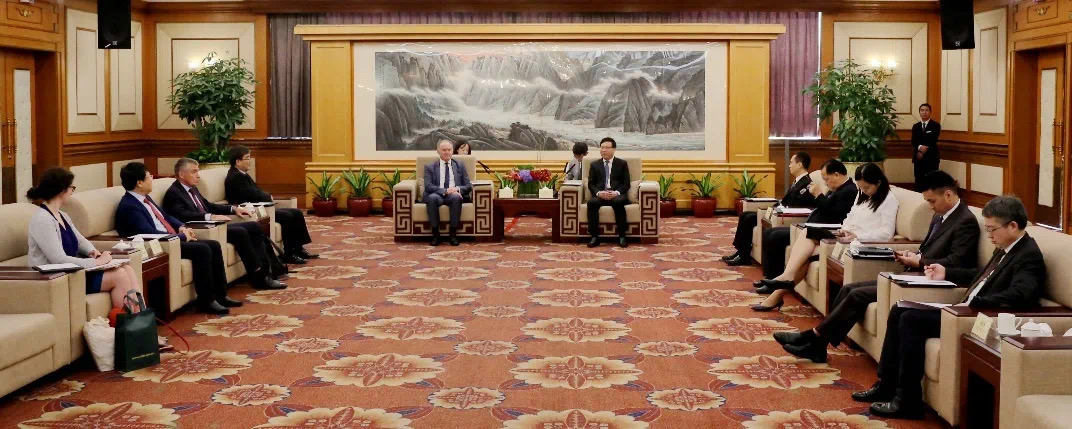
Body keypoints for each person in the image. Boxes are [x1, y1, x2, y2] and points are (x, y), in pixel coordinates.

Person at [857, 195, 1045, 420]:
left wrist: (977, 302)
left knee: (910, 320)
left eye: (992, 229)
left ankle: (908, 400)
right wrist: (946, 272)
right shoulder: (1005, 247)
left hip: (977, 317)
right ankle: (886, 384)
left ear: (1013, 226)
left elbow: (1022, 294)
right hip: (964, 309)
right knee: (899, 310)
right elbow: (982, 276)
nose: (989, 235)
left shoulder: (1028, 255)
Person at [775, 170, 980, 362]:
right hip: (915, 274)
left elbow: (956, 262)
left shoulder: (965, 222)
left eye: (932, 201)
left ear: (948, 195)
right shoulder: (940, 215)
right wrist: (914, 255)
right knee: (849, 288)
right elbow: (929, 249)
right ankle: (818, 343)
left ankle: (815, 339)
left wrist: (920, 261)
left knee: (857, 295)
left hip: (932, 283)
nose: (930, 206)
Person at [753, 162, 896, 311]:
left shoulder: (889, 200)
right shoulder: (861, 194)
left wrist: (856, 235)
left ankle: (779, 289)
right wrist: (844, 230)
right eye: (861, 188)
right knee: (808, 233)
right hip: (844, 236)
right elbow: (850, 216)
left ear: (878, 182)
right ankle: (783, 283)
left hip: (859, 243)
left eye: (866, 188)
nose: (863, 192)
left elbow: (886, 234)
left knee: (807, 254)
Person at [115, 162, 239, 315]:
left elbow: (166, 216)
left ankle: (221, 295)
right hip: (161, 245)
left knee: (213, 245)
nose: (152, 179)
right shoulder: (130, 206)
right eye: (149, 177)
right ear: (139, 183)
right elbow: (148, 232)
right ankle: (206, 301)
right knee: (202, 249)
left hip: (171, 238)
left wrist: (181, 227)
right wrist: (180, 236)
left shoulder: (145, 198)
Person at [26, 167, 143, 309]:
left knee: (127, 268)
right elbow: (58, 259)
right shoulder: (42, 220)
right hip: (58, 278)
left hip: (74, 272)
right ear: (62, 190)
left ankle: (141, 314)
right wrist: (96, 262)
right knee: (119, 275)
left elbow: (80, 240)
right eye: (72, 187)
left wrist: (92, 251)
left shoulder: (62, 215)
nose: (72, 191)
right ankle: (130, 320)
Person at [163, 158, 286, 291]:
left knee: (254, 226)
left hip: (215, 226)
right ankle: (258, 277)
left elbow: (208, 205)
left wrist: (233, 209)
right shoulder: (174, 193)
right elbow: (182, 215)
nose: (198, 175)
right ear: (181, 174)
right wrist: (210, 216)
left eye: (198, 171)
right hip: (203, 229)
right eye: (194, 172)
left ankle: (270, 269)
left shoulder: (192, 189)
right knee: (240, 232)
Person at [757, 159, 858, 281]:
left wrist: (818, 195)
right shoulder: (837, 189)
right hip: (813, 227)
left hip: (826, 230)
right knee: (770, 232)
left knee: (776, 236)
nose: (825, 183)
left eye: (826, 179)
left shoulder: (849, 191)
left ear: (836, 175)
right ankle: (771, 277)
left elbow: (833, 215)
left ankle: (775, 278)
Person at [224, 145, 316, 264]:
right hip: (252, 211)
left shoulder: (242, 174)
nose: (250, 161)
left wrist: (267, 197)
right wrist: (268, 197)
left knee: (296, 212)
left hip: (260, 206)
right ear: (238, 161)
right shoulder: (235, 177)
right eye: (247, 158)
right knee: (286, 216)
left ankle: (298, 249)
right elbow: (252, 195)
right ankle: (289, 253)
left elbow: (257, 191)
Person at [724, 151, 817, 266]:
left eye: (791, 162)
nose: (789, 165)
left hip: (784, 215)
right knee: (745, 215)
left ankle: (743, 256)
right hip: (777, 212)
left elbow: (799, 205)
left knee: (749, 219)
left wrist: (779, 209)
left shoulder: (807, 184)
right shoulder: (798, 181)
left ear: (799, 164)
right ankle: (741, 252)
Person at [424, 139, 473, 246]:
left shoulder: (460, 165)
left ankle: (453, 234)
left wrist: (456, 189)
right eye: (444, 150)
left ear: (452, 151)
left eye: (449, 150)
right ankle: (436, 235)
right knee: (431, 198)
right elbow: (428, 186)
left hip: (453, 195)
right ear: (438, 151)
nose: (447, 152)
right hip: (437, 194)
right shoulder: (430, 167)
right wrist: (445, 191)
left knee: (456, 197)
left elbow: (468, 185)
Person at [586, 137, 631, 248]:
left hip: (616, 194)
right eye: (602, 147)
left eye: (606, 148)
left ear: (614, 149)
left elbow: (626, 184)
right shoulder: (594, 164)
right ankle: (594, 237)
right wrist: (598, 193)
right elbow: (591, 184)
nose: (603, 150)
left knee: (618, 202)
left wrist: (616, 192)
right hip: (601, 194)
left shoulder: (622, 163)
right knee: (592, 203)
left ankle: (622, 236)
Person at [912, 103, 941, 192]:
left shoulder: (936, 125)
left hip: (931, 158)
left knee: (931, 181)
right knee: (918, 180)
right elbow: (913, 141)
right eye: (922, 110)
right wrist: (920, 148)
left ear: (930, 112)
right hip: (918, 158)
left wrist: (922, 151)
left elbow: (933, 140)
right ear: (919, 112)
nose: (924, 112)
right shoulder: (915, 126)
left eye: (926, 110)